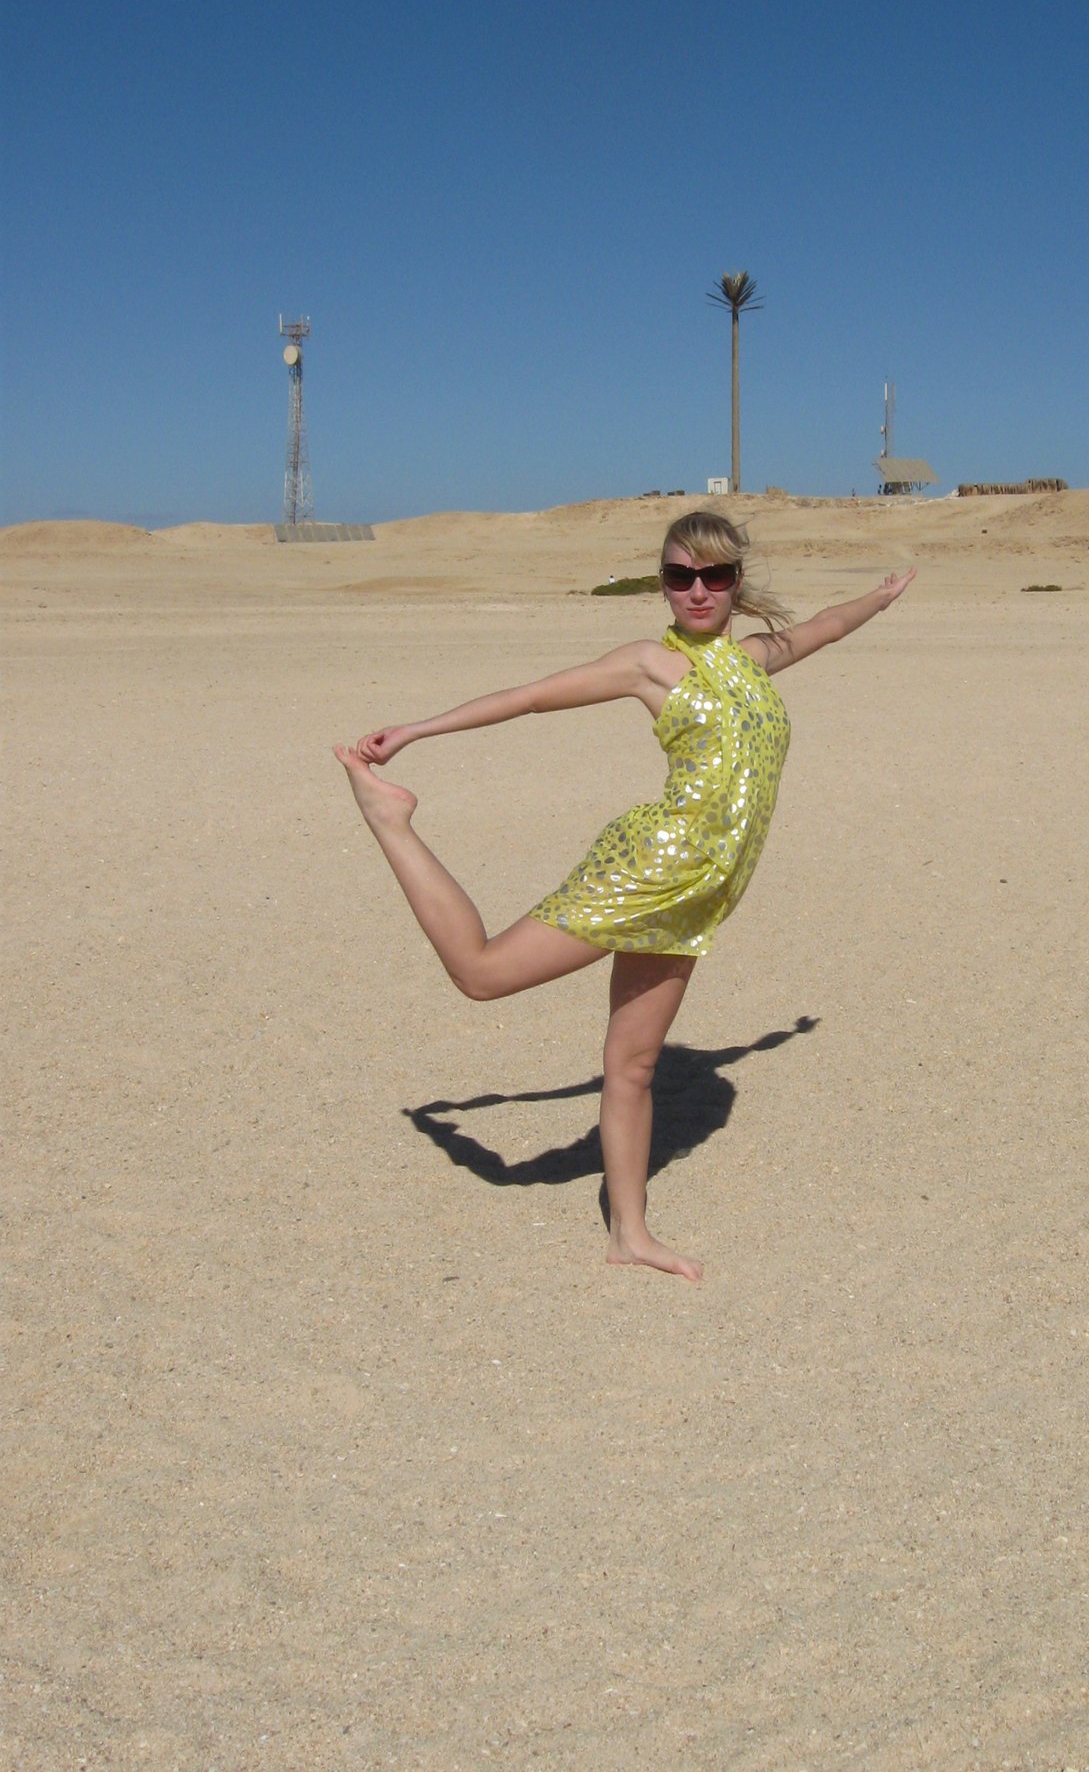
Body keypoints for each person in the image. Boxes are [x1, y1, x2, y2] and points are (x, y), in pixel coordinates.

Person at [334, 511, 916, 1281]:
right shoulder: (649, 664)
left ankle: (629, 1235)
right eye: (680, 577)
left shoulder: (753, 660)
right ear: (663, 586)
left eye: (714, 576)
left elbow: (829, 626)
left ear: (736, 582)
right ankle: (392, 821)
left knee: (634, 1065)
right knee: (481, 974)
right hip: (648, 870)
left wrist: (879, 597)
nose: (698, 591)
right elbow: (532, 697)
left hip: (697, 897)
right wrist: (416, 730)